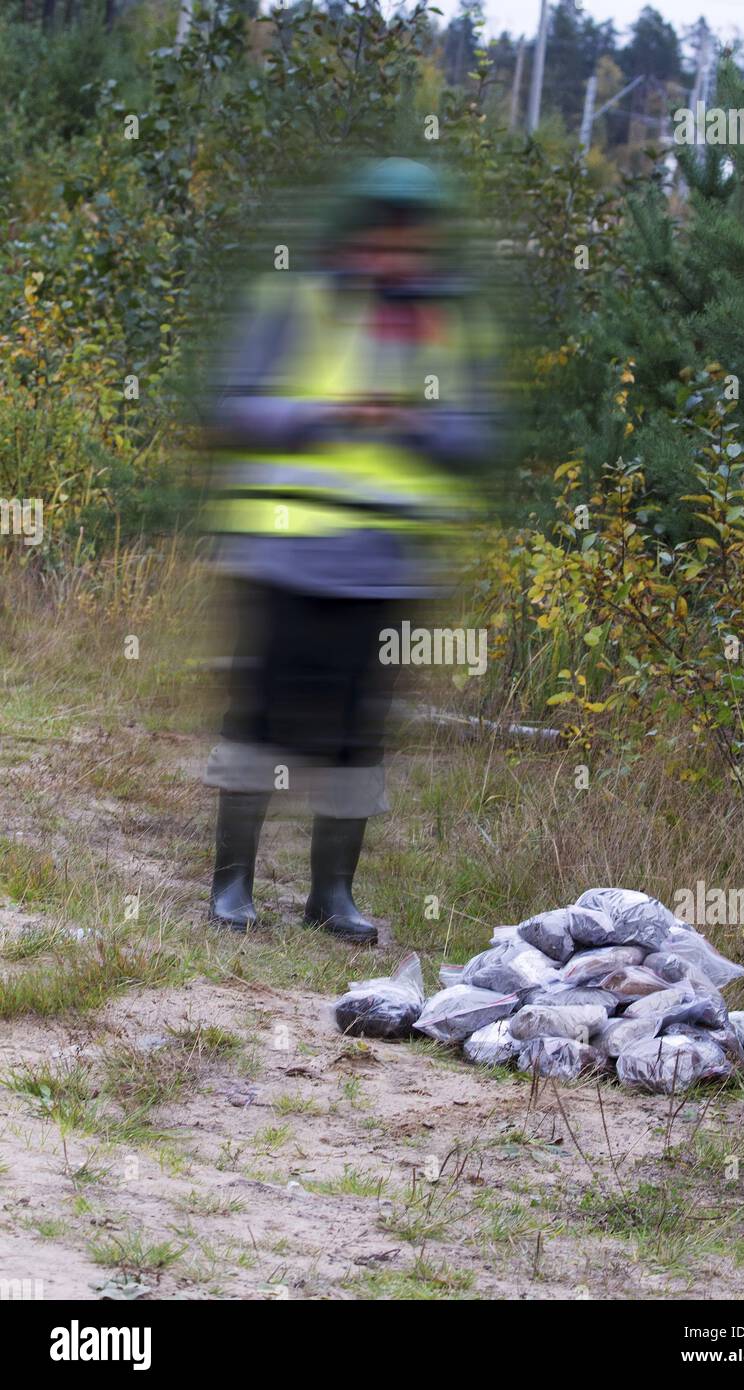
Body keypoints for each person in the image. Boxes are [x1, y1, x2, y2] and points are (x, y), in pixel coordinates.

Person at [202, 158, 496, 946]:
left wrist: (412, 423)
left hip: (387, 566)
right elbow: (232, 408)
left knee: (358, 735)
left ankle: (332, 894)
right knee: (259, 721)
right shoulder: (298, 300)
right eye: (384, 226)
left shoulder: (449, 323)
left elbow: (477, 435)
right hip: (285, 553)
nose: (397, 245)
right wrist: (323, 414)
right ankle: (232, 883)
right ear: (358, 228)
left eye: (413, 231)